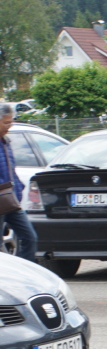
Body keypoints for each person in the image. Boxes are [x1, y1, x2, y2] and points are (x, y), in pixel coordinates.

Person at [0, 103, 38, 262]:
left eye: (11, 122)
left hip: (11, 201)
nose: (9, 126)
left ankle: (24, 274)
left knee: (30, 238)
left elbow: (11, 169)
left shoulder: (6, 142)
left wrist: (19, 187)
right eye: (6, 123)